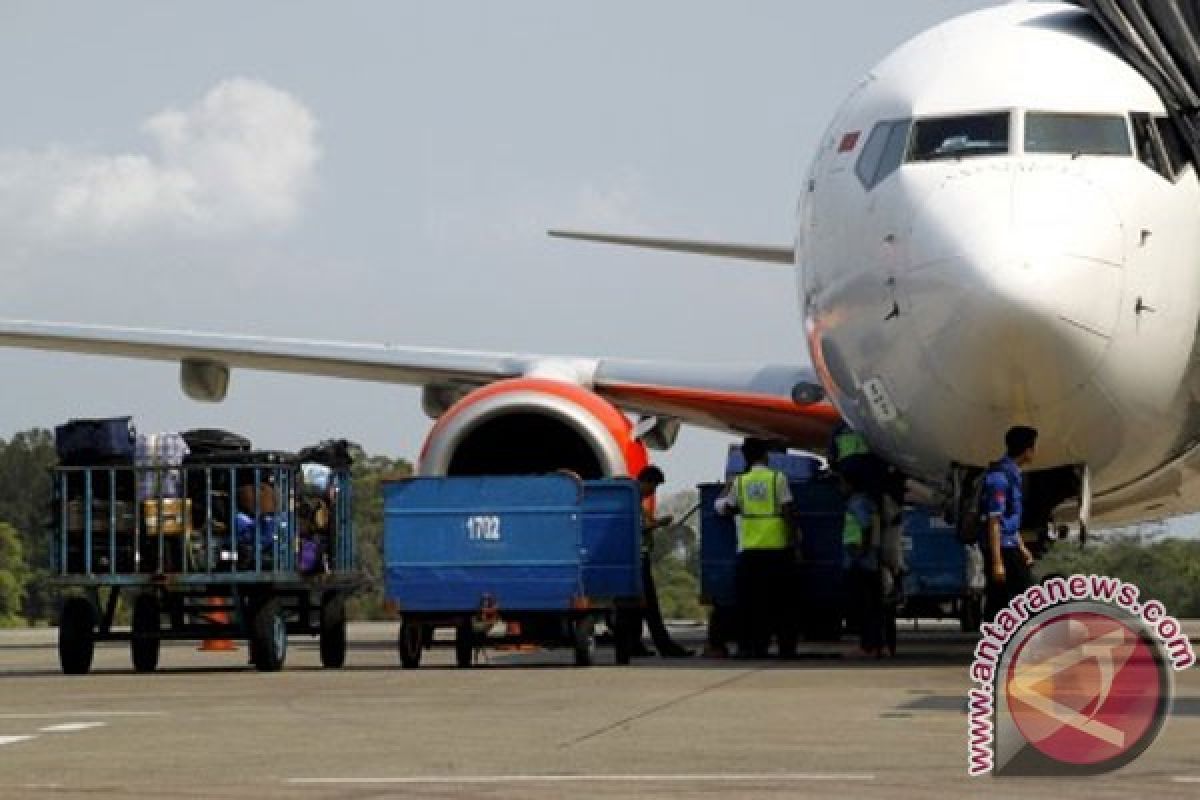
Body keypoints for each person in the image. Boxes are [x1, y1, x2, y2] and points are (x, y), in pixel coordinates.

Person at [715, 438, 799, 658]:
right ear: (766, 456)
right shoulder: (777, 479)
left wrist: (724, 492)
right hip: (777, 549)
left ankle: (753, 647)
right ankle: (786, 648)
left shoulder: (740, 482)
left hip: (750, 551)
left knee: (752, 604)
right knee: (782, 604)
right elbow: (789, 511)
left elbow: (724, 509)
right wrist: (795, 542)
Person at [617, 466, 693, 658]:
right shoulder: (632, 501)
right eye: (653, 486)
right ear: (646, 482)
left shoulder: (634, 501)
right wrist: (658, 524)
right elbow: (637, 527)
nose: (653, 491)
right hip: (637, 561)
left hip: (636, 559)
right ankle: (665, 647)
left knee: (636, 606)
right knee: (649, 606)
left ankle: (634, 644)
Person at [982, 426, 1038, 619]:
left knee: (999, 600)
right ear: (1028, 451)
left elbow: (1010, 520)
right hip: (1002, 549)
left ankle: (999, 643)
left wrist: (1022, 547)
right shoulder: (999, 478)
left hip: (1010, 545)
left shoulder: (1012, 474)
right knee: (1028, 596)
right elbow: (995, 521)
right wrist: (997, 562)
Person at [841, 470, 884, 658]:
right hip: (867, 561)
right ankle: (873, 645)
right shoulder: (867, 502)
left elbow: (865, 526)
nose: (840, 488)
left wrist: (862, 551)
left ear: (851, 485)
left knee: (864, 606)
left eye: (842, 483)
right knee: (871, 605)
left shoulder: (857, 503)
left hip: (861, 562)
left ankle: (868, 646)